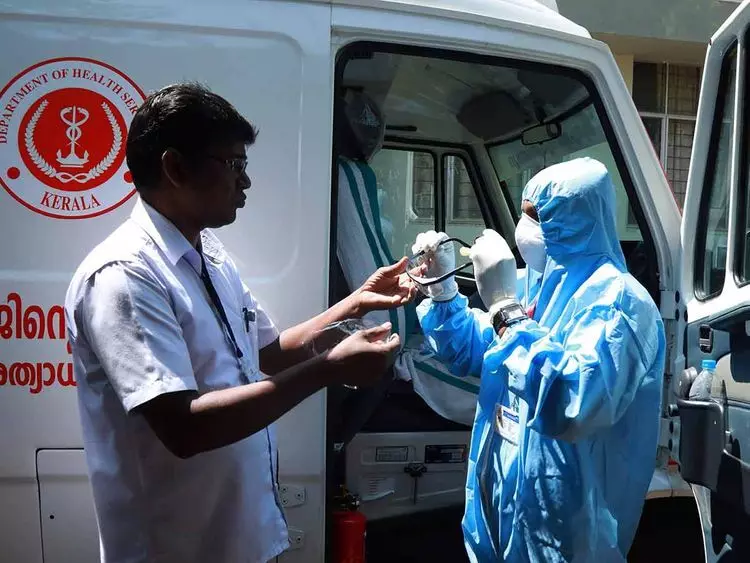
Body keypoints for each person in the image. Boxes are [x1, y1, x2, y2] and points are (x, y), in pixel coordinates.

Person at [64, 83, 416, 563]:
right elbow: (184, 427)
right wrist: (329, 369)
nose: (245, 181)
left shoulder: (207, 253)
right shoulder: (125, 275)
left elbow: (268, 352)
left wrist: (354, 304)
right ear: (175, 168)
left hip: (245, 539)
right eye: (233, 164)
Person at [411, 157, 666, 562]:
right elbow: (475, 350)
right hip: (506, 521)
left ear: (575, 220)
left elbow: (574, 402)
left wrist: (504, 309)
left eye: (536, 215)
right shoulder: (536, 284)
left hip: (568, 535)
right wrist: (443, 293)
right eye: (524, 212)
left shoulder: (620, 303)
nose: (524, 226)